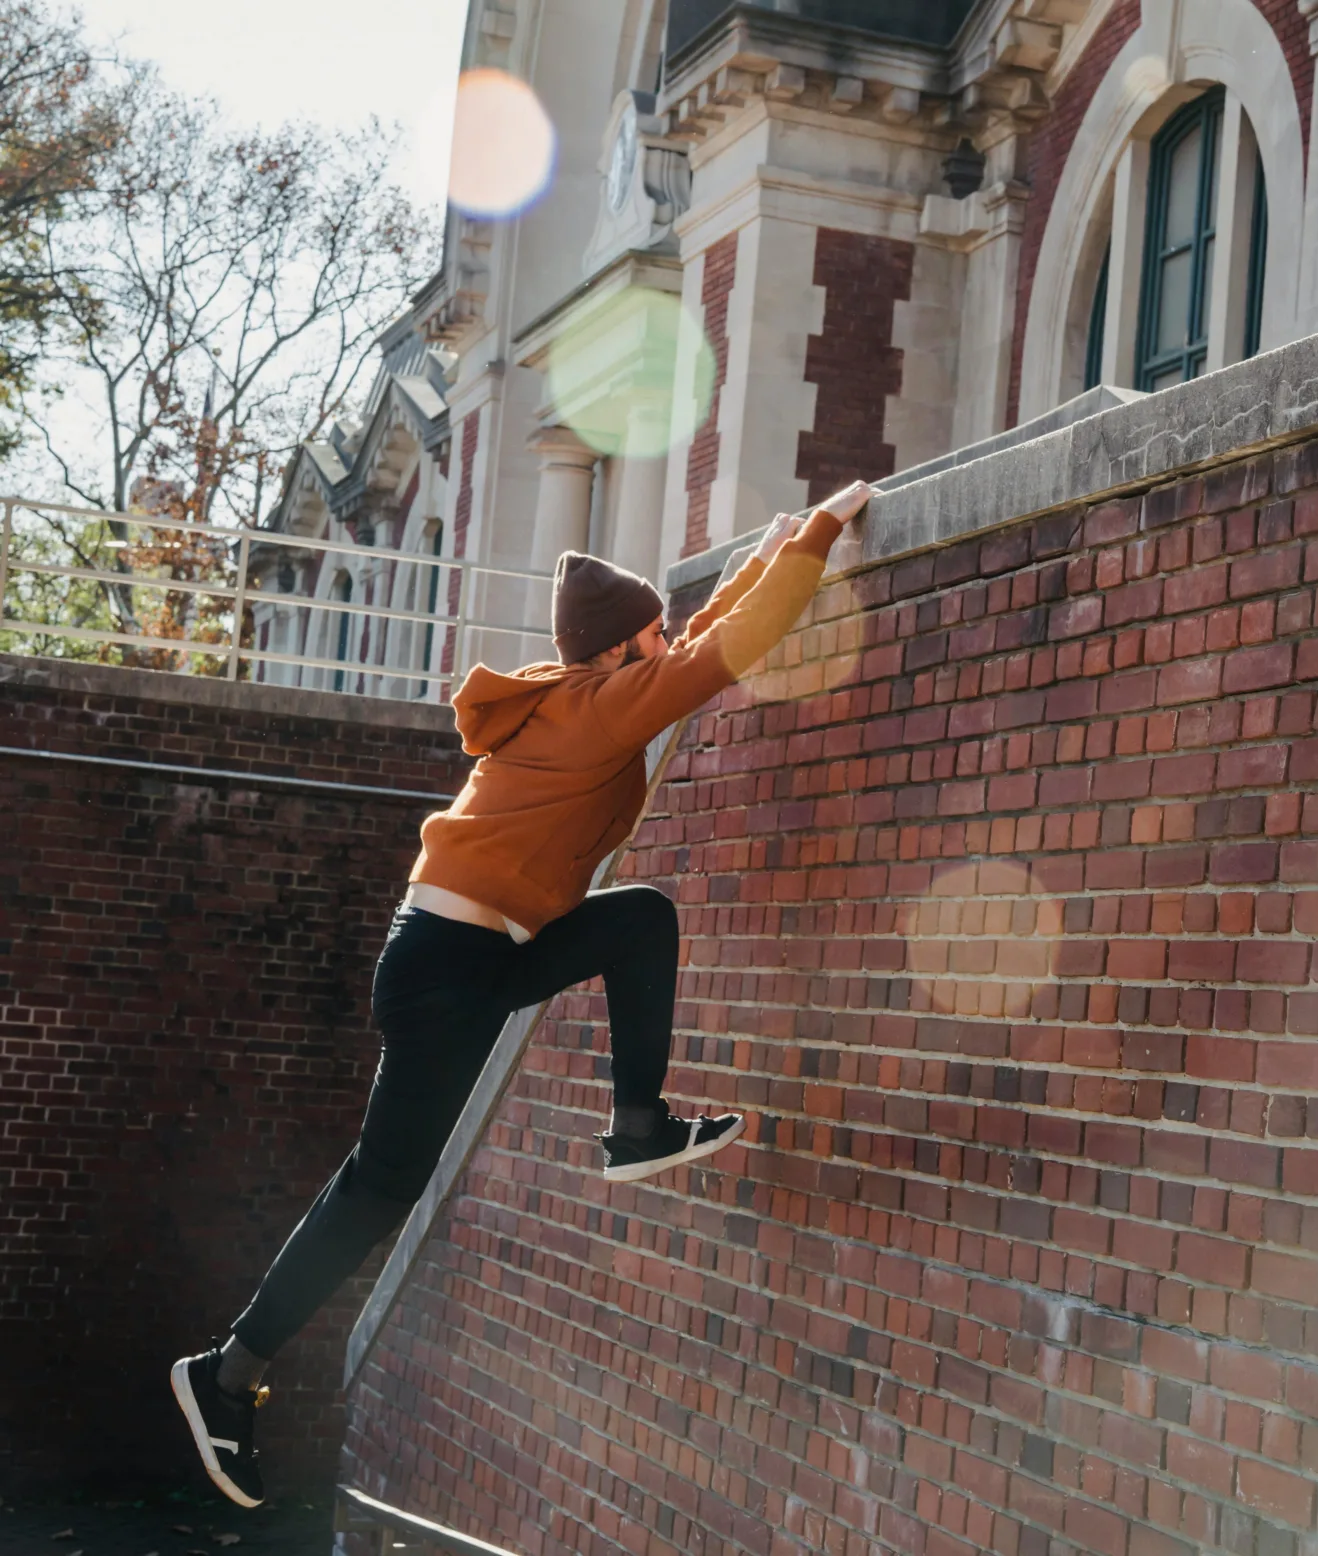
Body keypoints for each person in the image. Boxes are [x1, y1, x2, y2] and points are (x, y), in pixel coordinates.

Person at [170, 480, 872, 1508]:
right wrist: (813, 534)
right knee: (380, 1184)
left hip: (474, 953)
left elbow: (689, 644)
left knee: (640, 919)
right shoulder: (597, 707)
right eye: (654, 631)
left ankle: (636, 1127)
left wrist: (761, 550)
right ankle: (225, 1373)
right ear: (622, 646)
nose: (667, 638)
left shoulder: (588, 689)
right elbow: (724, 650)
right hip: (449, 962)